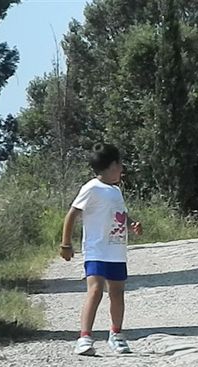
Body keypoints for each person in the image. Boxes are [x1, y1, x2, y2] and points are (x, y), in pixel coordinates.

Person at [60, 143, 143, 356]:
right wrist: (66, 244)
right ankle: (85, 337)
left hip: (116, 251)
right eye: (120, 165)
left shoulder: (115, 191)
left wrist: (132, 224)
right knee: (95, 290)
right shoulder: (91, 188)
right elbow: (72, 214)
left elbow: (121, 215)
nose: (122, 169)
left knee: (117, 292)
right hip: (96, 250)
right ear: (112, 165)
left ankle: (116, 335)